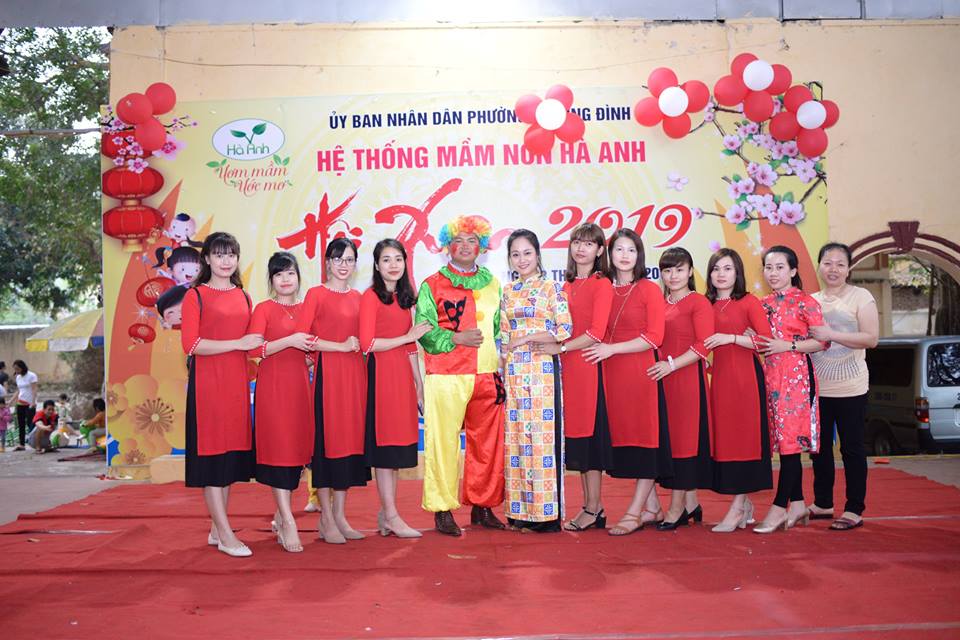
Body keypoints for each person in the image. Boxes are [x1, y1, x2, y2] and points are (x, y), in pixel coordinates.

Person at [415, 214, 506, 536]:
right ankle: (442, 509)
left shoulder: (493, 284)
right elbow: (424, 331)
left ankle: (484, 505)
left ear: (482, 246)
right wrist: (456, 338)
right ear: (447, 246)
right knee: (442, 443)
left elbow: (499, 330)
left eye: (472, 240)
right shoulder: (432, 284)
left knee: (488, 445)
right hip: (446, 374)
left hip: (487, 374)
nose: (465, 246)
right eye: (458, 240)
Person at [583, 229, 672, 535]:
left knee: (645, 441)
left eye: (631, 250)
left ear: (639, 255)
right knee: (626, 445)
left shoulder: (649, 289)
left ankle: (634, 512)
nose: (624, 255)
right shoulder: (604, 287)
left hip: (641, 373)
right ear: (609, 254)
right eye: (618, 249)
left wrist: (613, 349)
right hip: (610, 376)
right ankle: (652, 507)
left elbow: (655, 337)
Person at [180, 231, 262, 557]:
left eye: (231, 255)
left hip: (237, 388)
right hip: (208, 388)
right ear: (207, 259)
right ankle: (227, 535)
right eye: (219, 254)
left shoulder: (244, 296)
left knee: (228, 460)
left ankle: (218, 528)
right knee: (213, 459)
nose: (226, 261)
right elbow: (192, 345)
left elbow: (254, 343)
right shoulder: (195, 296)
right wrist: (236, 344)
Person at [531, 223, 613, 531]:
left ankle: (594, 507)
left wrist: (561, 347)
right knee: (577, 444)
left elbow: (596, 333)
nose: (581, 248)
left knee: (590, 442)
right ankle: (591, 507)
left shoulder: (601, 284)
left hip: (588, 368)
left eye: (589, 243)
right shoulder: (563, 286)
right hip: (565, 370)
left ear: (600, 250)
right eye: (577, 242)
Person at [297, 238, 370, 545]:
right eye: (338, 259)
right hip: (328, 375)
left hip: (355, 377)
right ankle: (325, 517)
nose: (343, 265)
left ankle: (340, 515)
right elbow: (302, 337)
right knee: (327, 446)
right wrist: (338, 346)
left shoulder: (359, 297)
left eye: (349, 260)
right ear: (327, 262)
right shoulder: (316, 294)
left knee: (349, 446)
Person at [499, 229, 572, 533]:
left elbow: (564, 329)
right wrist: (504, 360)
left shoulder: (552, 287)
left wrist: (525, 338)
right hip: (515, 373)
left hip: (542, 373)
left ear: (538, 254)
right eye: (515, 254)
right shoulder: (507, 291)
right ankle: (520, 513)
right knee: (517, 441)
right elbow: (503, 336)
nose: (522, 259)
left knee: (541, 444)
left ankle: (546, 516)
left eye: (527, 253)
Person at [753, 245, 828, 534]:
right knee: (784, 443)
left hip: (797, 379)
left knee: (790, 445)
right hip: (771, 377)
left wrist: (789, 345)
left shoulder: (806, 302)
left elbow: (822, 341)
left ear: (793, 270)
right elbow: (760, 340)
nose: (773, 273)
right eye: (768, 267)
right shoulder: (762, 304)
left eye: (779, 267)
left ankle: (778, 508)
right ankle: (797, 504)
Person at [359, 239, 431, 539]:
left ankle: (387, 513)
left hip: (402, 379)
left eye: (398, 259)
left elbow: (412, 348)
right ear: (377, 265)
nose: (393, 265)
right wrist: (406, 337)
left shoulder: (404, 299)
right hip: (380, 378)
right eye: (386, 259)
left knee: (398, 450)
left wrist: (419, 385)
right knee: (385, 449)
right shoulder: (370, 297)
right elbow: (367, 344)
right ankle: (390, 514)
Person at [248, 251, 316, 553]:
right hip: (273, 390)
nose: (285, 279)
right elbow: (253, 349)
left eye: (290, 273)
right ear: (271, 279)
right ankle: (288, 521)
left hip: (301, 389)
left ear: (298, 277)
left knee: (297, 452)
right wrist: (289, 341)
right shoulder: (264, 309)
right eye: (279, 274)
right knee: (279, 451)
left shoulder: (307, 309)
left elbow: (313, 349)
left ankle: (280, 514)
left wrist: (310, 357)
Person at [809, 242, 879, 531]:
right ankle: (823, 503)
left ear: (849, 268)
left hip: (851, 387)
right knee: (819, 450)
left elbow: (871, 338)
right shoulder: (811, 300)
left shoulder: (861, 297)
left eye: (840, 264)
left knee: (851, 448)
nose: (833, 269)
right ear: (819, 266)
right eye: (828, 263)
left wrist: (831, 334)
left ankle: (854, 508)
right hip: (818, 388)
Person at [702, 249, 773, 532]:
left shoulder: (748, 302)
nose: (721, 274)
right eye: (716, 268)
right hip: (718, 380)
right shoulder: (705, 304)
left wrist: (731, 338)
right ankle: (744, 505)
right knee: (725, 441)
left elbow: (766, 341)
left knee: (743, 440)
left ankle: (737, 507)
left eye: (727, 268)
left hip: (744, 379)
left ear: (738, 273)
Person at [649, 247, 715, 531]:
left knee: (684, 442)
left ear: (690, 272)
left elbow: (704, 345)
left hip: (686, 379)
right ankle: (691, 502)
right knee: (670, 441)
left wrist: (672, 365)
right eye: (667, 270)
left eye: (679, 269)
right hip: (662, 380)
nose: (673, 275)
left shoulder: (698, 302)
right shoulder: (659, 303)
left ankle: (676, 508)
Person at [10, 360, 38, 451]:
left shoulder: (32, 375)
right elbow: (19, 391)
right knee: (20, 424)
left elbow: (34, 389)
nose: (16, 371)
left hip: (30, 403)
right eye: (15, 369)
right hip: (20, 403)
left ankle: (36, 443)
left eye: (17, 369)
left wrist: (33, 402)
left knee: (31, 423)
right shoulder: (18, 377)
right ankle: (21, 444)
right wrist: (10, 401)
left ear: (22, 367)